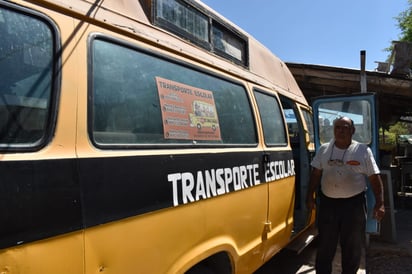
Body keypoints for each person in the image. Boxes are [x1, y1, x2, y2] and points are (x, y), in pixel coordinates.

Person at [306, 116, 385, 274]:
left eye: (345, 127)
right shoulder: (324, 150)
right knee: (325, 246)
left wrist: (380, 203)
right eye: (338, 127)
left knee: (352, 247)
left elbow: (374, 178)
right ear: (334, 130)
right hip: (328, 204)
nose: (341, 131)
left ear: (352, 130)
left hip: (353, 206)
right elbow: (315, 175)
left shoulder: (362, 151)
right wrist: (309, 196)